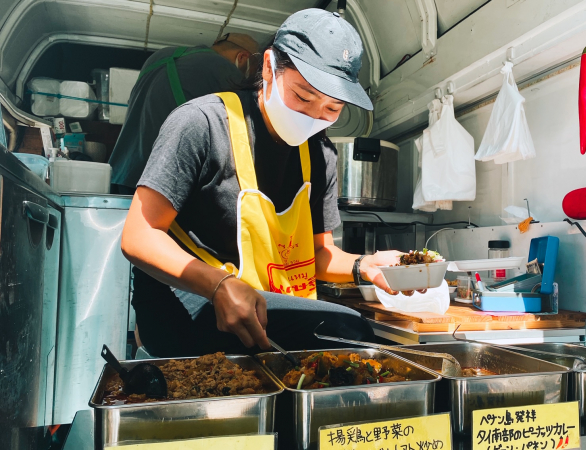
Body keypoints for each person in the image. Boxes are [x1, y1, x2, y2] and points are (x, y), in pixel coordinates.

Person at [121, 9, 413, 358]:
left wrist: (361, 266)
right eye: (303, 97)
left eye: (332, 109)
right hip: (187, 301)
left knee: (351, 342)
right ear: (268, 68)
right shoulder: (201, 123)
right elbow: (138, 235)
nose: (314, 117)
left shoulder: (321, 155)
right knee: (347, 331)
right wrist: (219, 286)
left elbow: (320, 254)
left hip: (260, 300)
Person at [108, 33, 260, 194]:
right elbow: (240, 131)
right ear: (242, 58)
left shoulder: (158, 56)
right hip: (159, 180)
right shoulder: (225, 70)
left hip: (121, 170)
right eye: (250, 69)